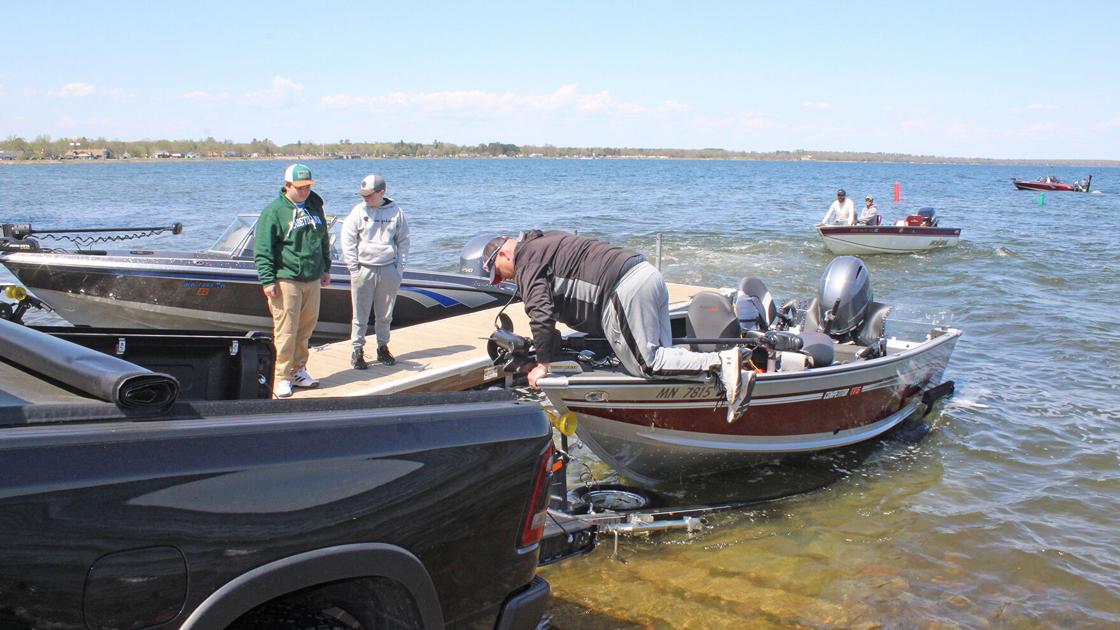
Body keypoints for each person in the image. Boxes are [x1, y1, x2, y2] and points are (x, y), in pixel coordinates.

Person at [481, 230, 754, 423]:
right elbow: (550, 315)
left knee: (649, 364)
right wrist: (544, 351)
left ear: (504, 253)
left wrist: (542, 364)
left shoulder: (527, 260)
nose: (503, 279)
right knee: (666, 363)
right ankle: (728, 382)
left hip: (624, 288)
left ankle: (722, 362)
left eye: (498, 272)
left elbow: (541, 315)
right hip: (646, 275)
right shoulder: (543, 243)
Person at [253, 163, 332, 398]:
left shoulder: (315, 207)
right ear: (287, 185)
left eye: (308, 186)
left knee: (306, 328)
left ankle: (298, 370)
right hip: (286, 278)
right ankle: (281, 377)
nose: (305, 191)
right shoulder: (274, 211)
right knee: (286, 331)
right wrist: (268, 280)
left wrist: (325, 267)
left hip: (312, 278)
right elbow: (263, 249)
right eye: (300, 187)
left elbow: (322, 239)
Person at [341, 173, 410, 369]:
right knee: (360, 315)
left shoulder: (396, 212)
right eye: (363, 195)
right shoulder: (358, 211)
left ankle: (382, 347)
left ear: (381, 192)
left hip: (388, 269)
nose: (365, 198)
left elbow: (404, 241)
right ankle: (357, 350)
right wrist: (353, 268)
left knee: (385, 314)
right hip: (363, 268)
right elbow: (348, 239)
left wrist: (399, 269)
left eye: (369, 195)